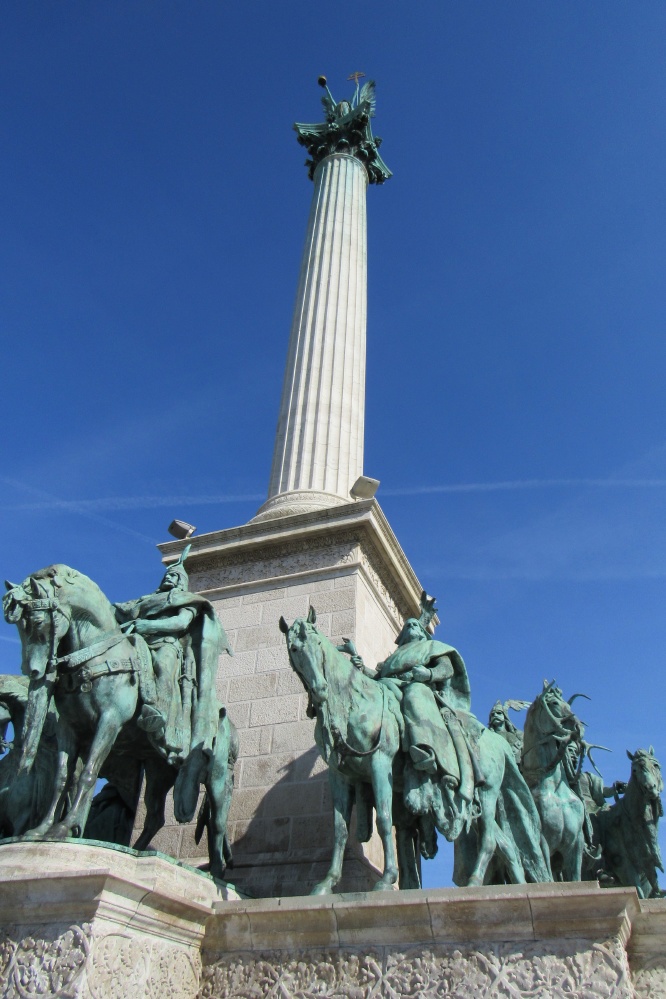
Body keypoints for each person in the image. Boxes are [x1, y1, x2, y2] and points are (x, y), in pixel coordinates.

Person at [114, 545, 232, 766]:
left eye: (175, 575)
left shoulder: (187, 600)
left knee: (162, 666)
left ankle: (156, 710)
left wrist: (146, 625)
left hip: (166, 644)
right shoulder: (144, 600)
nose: (170, 577)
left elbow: (180, 623)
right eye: (168, 574)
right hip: (137, 640)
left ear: (182, 581)